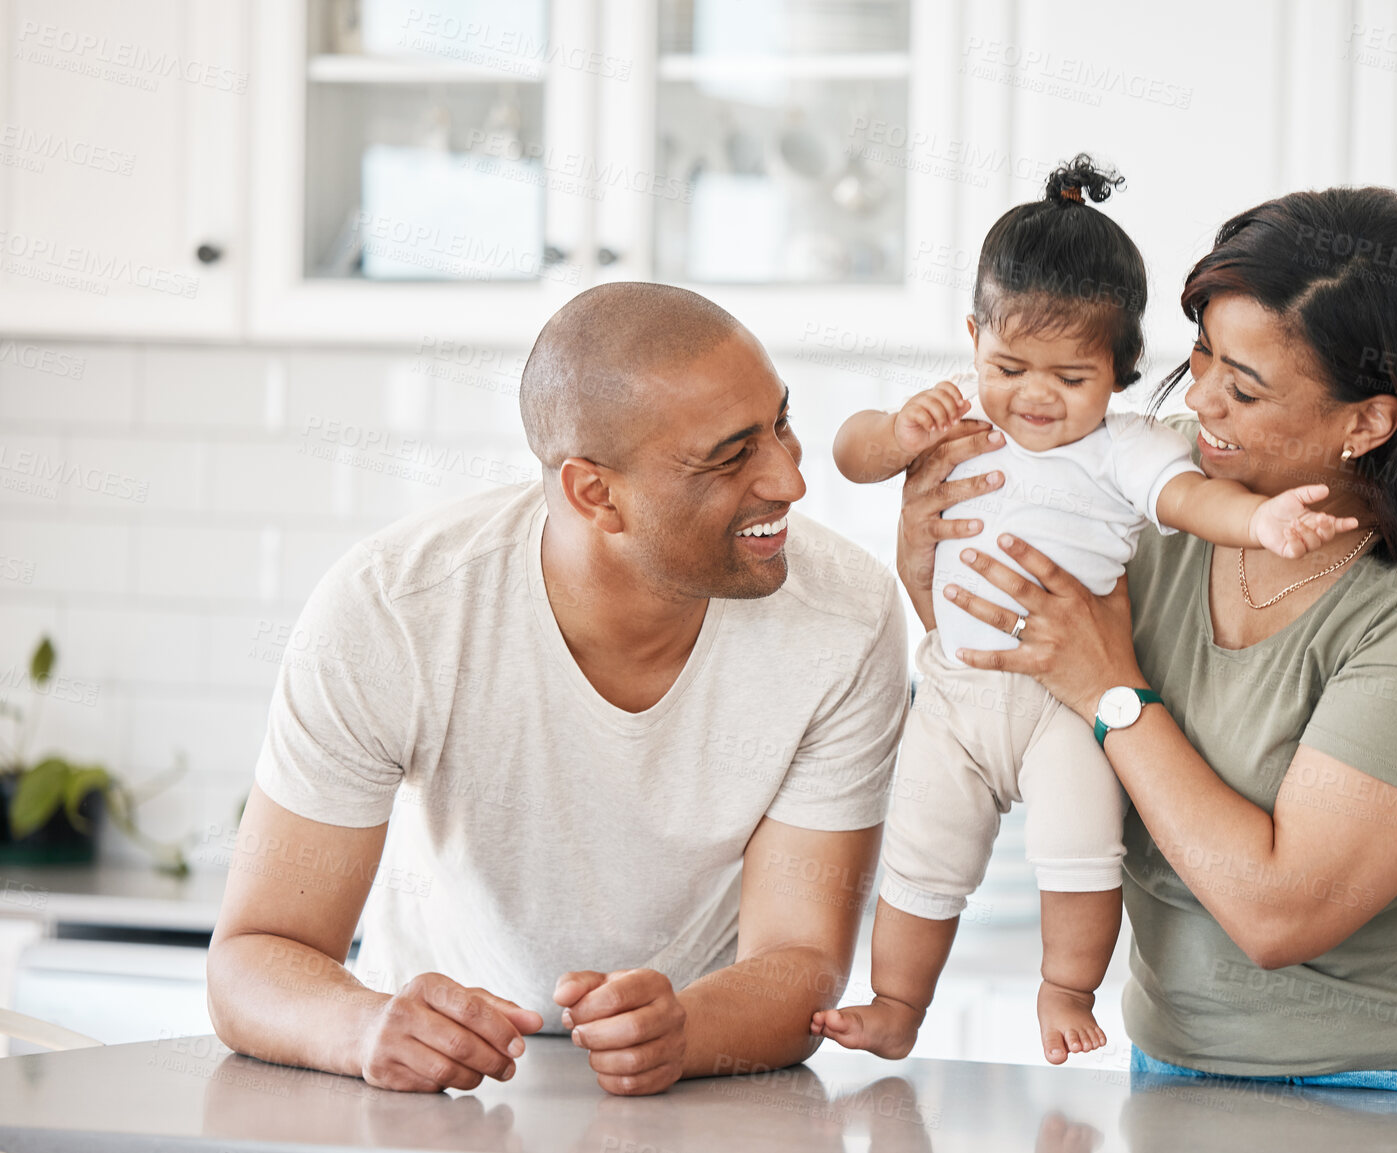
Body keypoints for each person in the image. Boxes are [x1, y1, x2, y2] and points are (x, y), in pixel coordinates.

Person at [895, 187, 1397, 1102]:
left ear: (1366, 421)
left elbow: (1281, 911)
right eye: (1201, 351)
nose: (1196, 395)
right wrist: (927, 554)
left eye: (1243, 386)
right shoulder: (1148, 481)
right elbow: (1012, 665)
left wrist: (1110, 689)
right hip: (1183, 1054)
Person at [206, 283, 910, 1096]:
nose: (789, 480)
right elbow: (250, 960)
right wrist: (364, 1026)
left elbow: (801, 962)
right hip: (435, 1101)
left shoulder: (845, 614)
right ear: (593, 493)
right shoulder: (392, 611)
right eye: (731, 454)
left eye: (781, 423)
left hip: (704, 1091)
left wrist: (686, 1029)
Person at [814, 157, 1355, 1066]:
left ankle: (1064, 989)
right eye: (1008, 365)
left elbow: (1188, 502)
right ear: (974, 337)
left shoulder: (1127, 448)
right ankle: (896, 1002)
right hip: (951, 694)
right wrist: (895, 435)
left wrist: (1259, 518)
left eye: (1070, 378)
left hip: (1068, 705)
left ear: (1119, 371)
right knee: (919, 858)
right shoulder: (955, 417)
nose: (1034, 397)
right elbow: (850, 452)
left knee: (1078, 855)